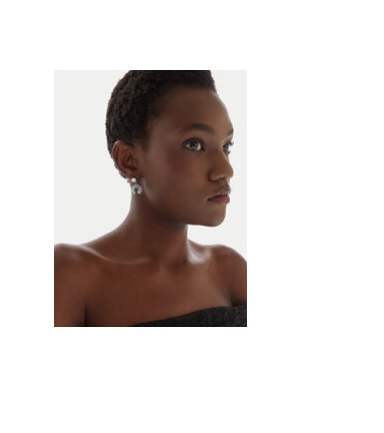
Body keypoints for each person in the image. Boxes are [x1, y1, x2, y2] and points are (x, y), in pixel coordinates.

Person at [54, 71, 247, 327]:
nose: (225, 170)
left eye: (226, 147)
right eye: (194, 145)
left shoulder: (230, 270)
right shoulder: (71, 274)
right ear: (129, 160)